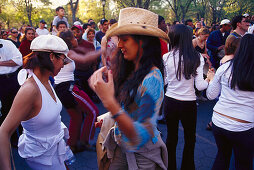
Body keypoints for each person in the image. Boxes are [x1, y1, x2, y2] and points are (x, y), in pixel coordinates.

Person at [89, 7, 169, 169]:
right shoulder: (132, 69)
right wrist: (110, 116)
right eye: (119, 39)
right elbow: (130, 108)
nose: (119, 45)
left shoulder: (152, 78)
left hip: (142, 155)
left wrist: (108, 100)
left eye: (124, 39)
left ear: (143, 42)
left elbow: (139, 137)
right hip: (120, 144)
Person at [0, 35, 73, 169]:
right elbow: (3, 131)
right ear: (51, 57)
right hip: (42, 159)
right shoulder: (30, 90)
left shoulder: (47, 81)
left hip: (54, 153)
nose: (64, 65)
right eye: (63, 59)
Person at [163, 24, 214, 170]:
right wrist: (209, 78)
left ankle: (169, 166)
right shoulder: (197, 57)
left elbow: (165, 81)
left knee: (171, 138)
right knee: (190, 139)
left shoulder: (166, 57)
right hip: (188, 104)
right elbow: (200, 86)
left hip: (170, 101)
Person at [206, 34, 254, 170]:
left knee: (222, 156)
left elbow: (211, 95)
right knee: (243, 163)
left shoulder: (225, 67)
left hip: (219, 121)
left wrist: (211, 78)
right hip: (244, 126)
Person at [55, 30, 99, 152]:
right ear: (69, 40)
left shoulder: (65, 52)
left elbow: (84, 53)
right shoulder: (66, 52)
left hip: (64, 87)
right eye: (74, 37)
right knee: (93, 111)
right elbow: (84, 59)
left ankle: (72, 144)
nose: (76, 39)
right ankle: (86, 142)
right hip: (67, 88)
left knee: (77, 116)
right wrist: (102, 50)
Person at [0, 37, 23, 148]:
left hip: (13, 80)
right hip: (1, 82)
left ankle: (24, 135)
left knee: (21, 107)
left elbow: (18, 61)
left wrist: (0, 63)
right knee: (5, 111)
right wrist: (8, 62)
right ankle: (12, 138)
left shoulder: (8, 44)